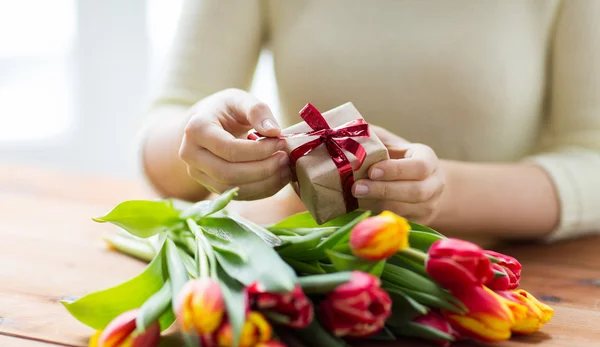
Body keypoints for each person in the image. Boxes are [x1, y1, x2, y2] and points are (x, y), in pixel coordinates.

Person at [138, 0, 600, 243]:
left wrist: (441, 192)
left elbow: (593, 158)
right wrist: (201, 145)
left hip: (499, 283)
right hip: (312, 276)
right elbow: (165, 135)